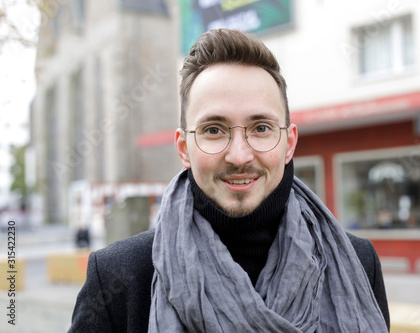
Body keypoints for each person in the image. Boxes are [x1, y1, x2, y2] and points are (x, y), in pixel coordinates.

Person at [69, 28, 390, 332]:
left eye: (261, 128)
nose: (239, 155)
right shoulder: (118, 276)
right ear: (184, 148)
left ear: (289, 143)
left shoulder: (358, 263)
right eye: (214, 130)